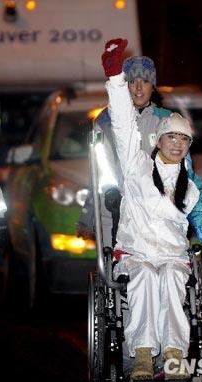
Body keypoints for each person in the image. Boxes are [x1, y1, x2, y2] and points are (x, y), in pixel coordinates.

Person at [101, 38, 202, 382]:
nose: (176, 143)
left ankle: (173, 355)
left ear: (188, 146)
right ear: (158, 140)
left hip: (173, 255)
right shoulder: (136, 166)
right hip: (137, 250)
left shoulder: (192, 186)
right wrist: (115, 77)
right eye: (170, 137)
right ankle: (143, 356)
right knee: (144, 278)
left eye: (183, 140)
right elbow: (123, 123)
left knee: (173, 280)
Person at [77, 52, 172, 246]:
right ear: (124, 86)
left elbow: (182, 172)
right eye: (131, 81)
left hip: (156, 213)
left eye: (144, 81)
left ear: (152, 86)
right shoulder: (105, 121)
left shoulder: (167, 120)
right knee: (117, 272)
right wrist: (88, 215)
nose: (138, 88)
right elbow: (97, 171)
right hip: (114, 211)